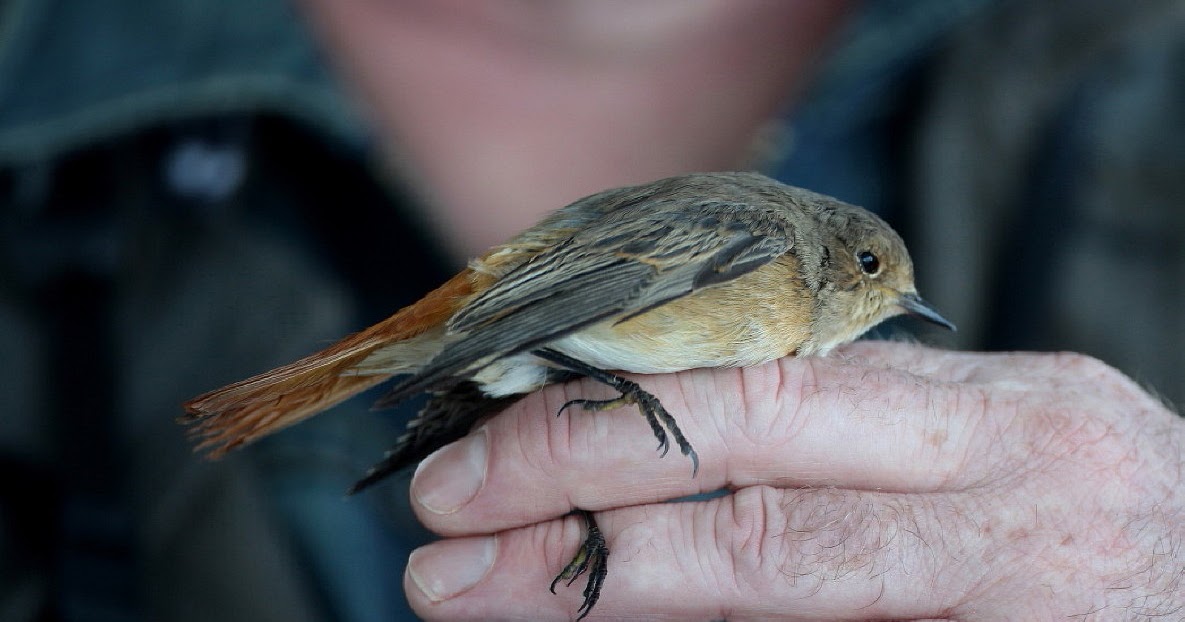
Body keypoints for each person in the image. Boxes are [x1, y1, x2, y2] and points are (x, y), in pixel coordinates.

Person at [1, 0, 1181, 620]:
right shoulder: (766, 238)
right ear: (835, 255)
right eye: (880, 276)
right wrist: (496, 349)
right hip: (532, 319)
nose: (892, 302)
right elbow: (591, 282)